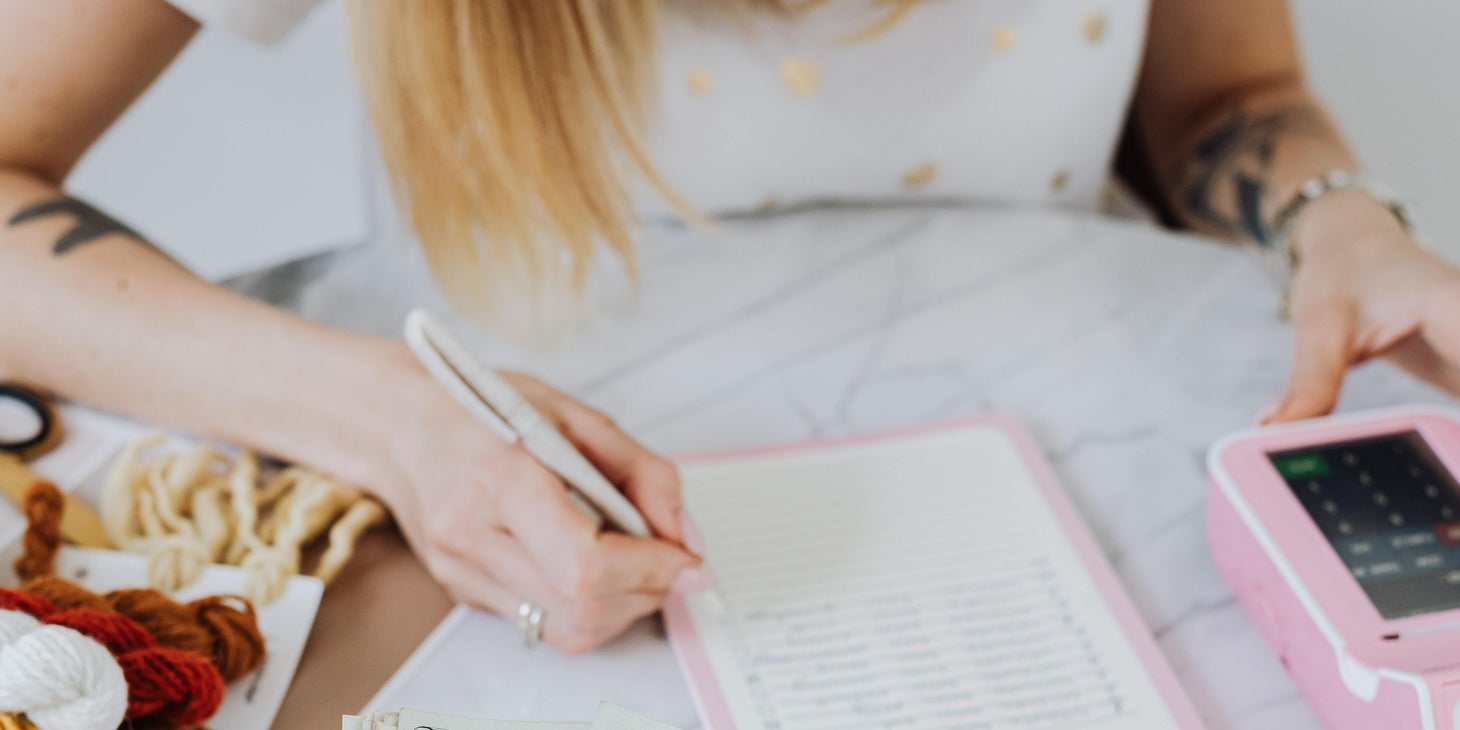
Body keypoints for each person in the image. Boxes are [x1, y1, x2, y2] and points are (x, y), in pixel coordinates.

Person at [0, 0, 1455, 655]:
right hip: (493, 548)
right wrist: (386, 417)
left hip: (1082, 465)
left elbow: (1228, 101)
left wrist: (1337, 216)